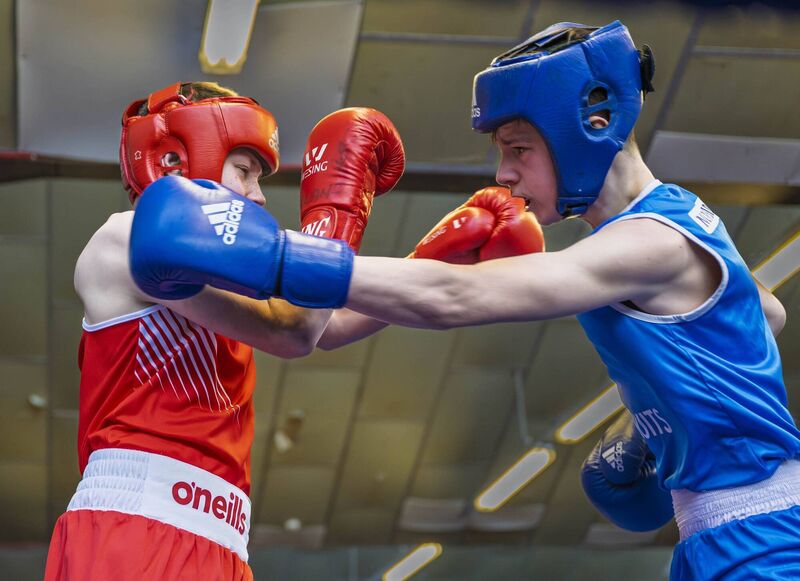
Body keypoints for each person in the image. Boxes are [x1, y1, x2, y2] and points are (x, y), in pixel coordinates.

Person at [131, 21, 799, 579]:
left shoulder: (648, 243)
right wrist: (660, 412)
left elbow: (454, 297)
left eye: (517, 148)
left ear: (592, 122)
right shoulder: (679, 220)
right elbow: (765, 311)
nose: (503, 173)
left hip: (762, 540)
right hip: (720, 537)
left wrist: (280, 257)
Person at [44, 81, 405, 581]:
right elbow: (296, 329)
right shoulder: (122, 239)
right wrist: (335, 218)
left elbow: (328, 324)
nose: (257, 196)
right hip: (135, 524)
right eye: (245, 172)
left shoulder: (220, 281)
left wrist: (445, 256)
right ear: (172, 162)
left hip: (222, 541)